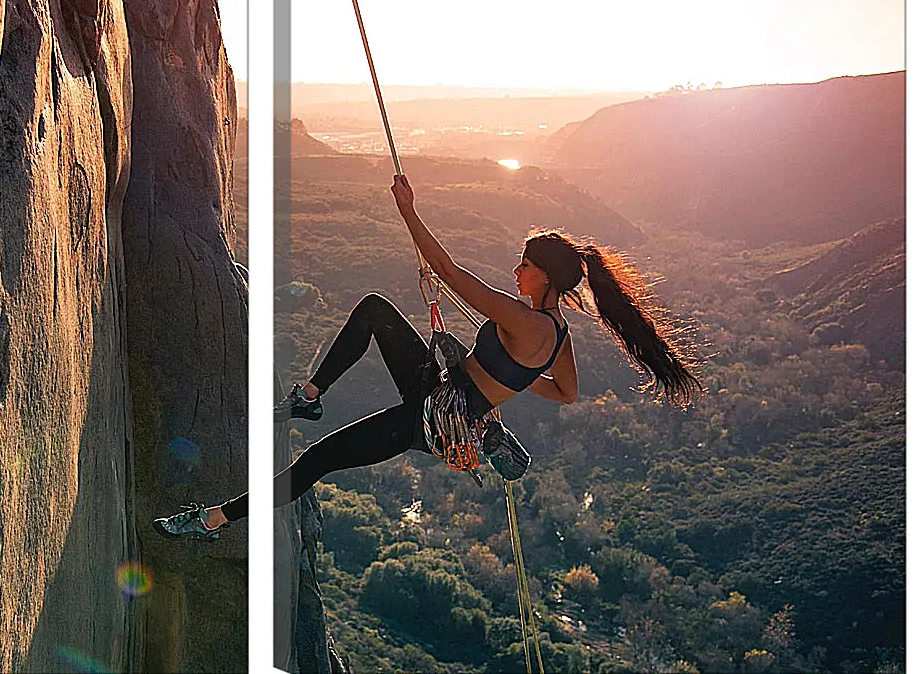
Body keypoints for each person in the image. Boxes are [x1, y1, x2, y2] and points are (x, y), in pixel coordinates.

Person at [153, 174, 702, 541]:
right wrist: (504, 387)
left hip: (432, 416)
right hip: (446, 391)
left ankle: (212, 518)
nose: (517, 270)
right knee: (373, 310)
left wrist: (408, 211)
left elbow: (450, 272)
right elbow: (567, 393)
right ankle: (313, 397)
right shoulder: (557, 335)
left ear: (546, 277)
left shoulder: (526, 319)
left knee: (316, 462)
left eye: (525, 264)